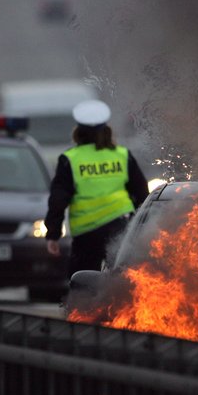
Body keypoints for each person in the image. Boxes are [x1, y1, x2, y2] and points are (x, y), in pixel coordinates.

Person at [44, 99, 149, 277]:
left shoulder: (70, 159)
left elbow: (58, 200)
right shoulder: (122, 155)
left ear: (78, 132)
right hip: (120, 227)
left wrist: (53, 234)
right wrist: (142, 228)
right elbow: (141, 193)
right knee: (122, 281)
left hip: (87, 234)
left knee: (82, 283)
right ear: (107, 130)